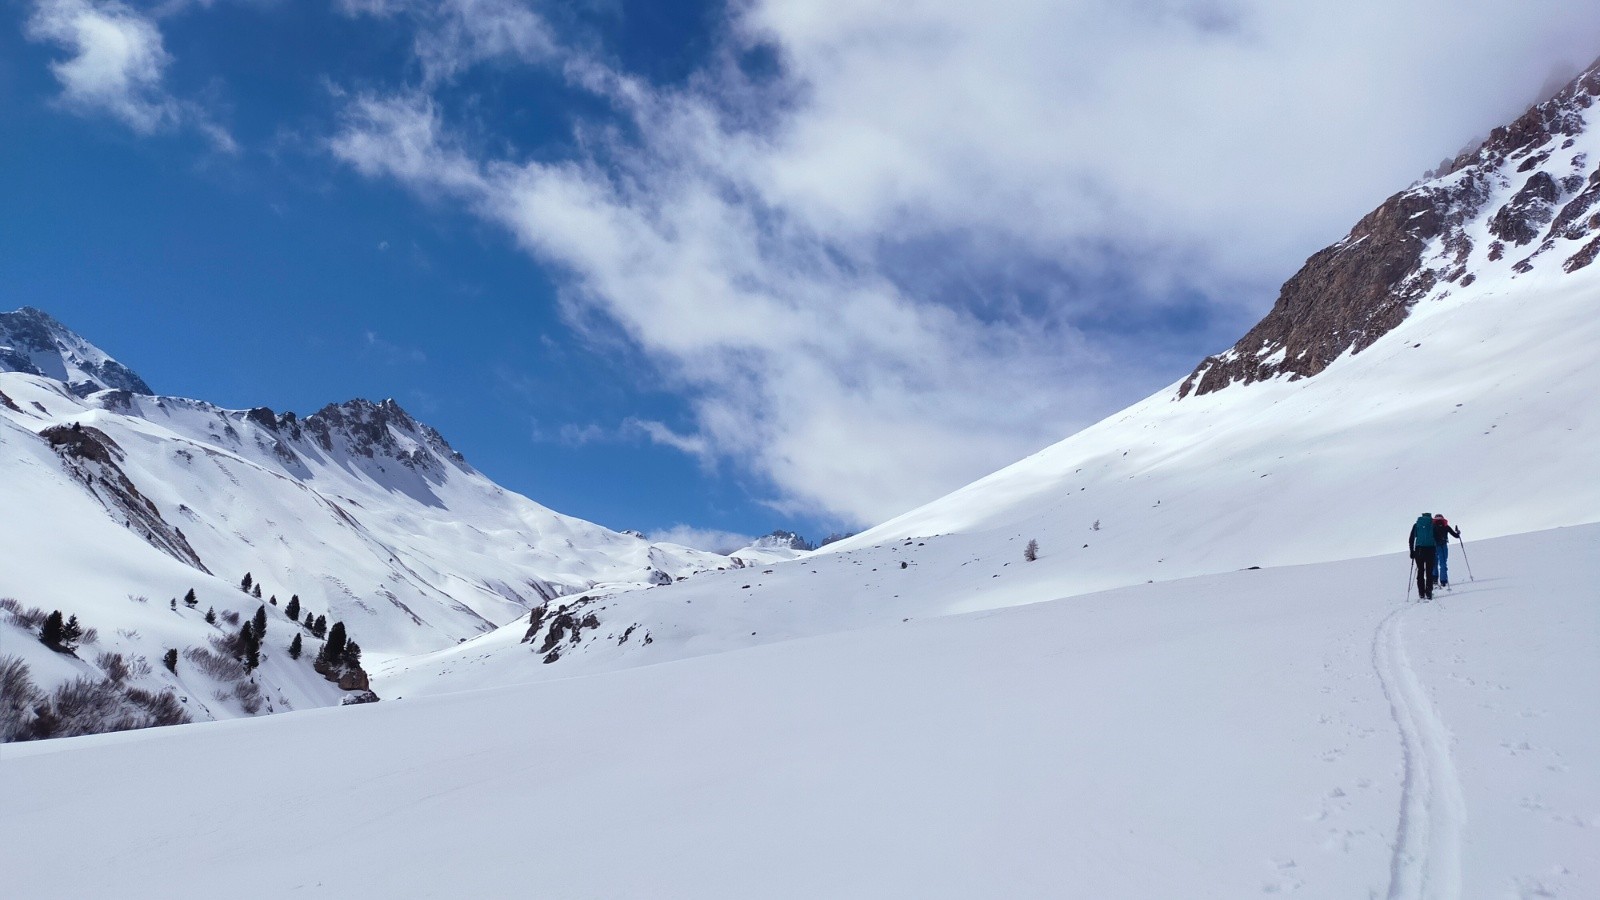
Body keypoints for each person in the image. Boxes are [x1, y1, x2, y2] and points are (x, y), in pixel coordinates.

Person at [1407, 512, 1437, 600]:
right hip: (1430, 549)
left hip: (1419, 550)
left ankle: (1421, 593)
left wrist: (1412, 551)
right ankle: (1429, 592)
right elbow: (1437, 536)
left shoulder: (1417, 525)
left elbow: (1411, 539)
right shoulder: (1432, 524)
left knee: (1420, 570)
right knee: (1429, 571)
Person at [1432, 515, 1462, 588]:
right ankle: (1443, 581)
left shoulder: (1432, 526)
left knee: (1434, 563)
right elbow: (1456, 536)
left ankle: (1434, 579)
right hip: (1443, 545)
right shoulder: (1446, 526)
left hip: (1434, 546)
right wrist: (1458, 532)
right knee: (1443, 563)